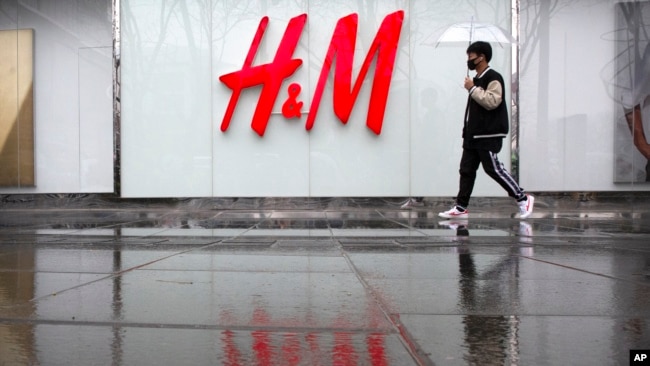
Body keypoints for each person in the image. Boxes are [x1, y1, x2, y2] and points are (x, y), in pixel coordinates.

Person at [439, 41, 534, 219]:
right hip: (473, 134)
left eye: (471, 56)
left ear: (481, 57)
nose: (469, 60)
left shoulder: (493, 77)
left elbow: (492, 101)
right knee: (466, 169)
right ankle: (461, 207)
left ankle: (523, 198)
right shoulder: (477, 79)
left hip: (487, 134)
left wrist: (472, 88)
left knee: (494, 169)